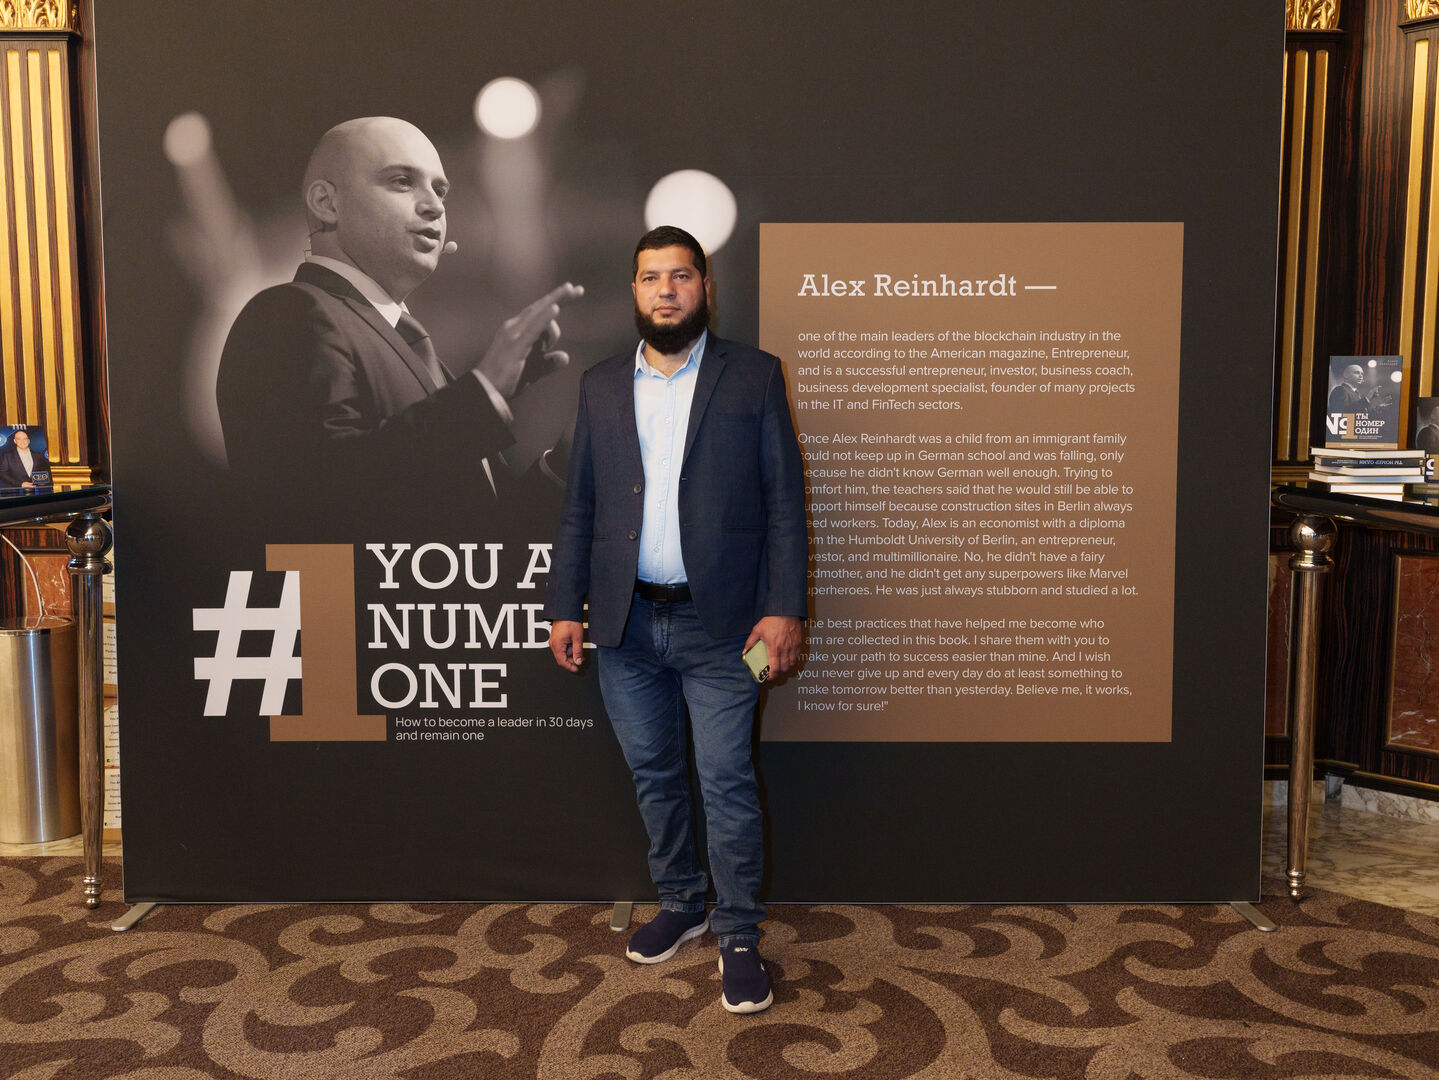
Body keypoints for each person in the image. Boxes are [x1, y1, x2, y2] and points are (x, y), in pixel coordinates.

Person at [544, 226, 808, 1014]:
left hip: (722, 628)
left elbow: (784, 503)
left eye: (681, 276)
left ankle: (738, 933)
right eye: (651, 277)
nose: (666, 290)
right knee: (655, 776)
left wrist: (783, 607)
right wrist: (565, 608)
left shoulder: (752, 376)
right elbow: (580, 507)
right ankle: (682, 901)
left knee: (725, 781)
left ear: (704, 288)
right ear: (633, 291)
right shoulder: (599, 384)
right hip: (624, 626)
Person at [216, 116, 581, 520]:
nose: (435, 206)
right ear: (327, 203)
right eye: (402, 182)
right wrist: (485, 391)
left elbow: (484, 538)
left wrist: (568, 464)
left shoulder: (421, 357)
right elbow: (322, 496)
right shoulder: (287, 314)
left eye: (440, 190)